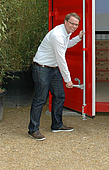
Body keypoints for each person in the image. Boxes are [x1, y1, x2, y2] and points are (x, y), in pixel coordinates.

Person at [28, 12, 85, 141]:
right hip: (42, 68)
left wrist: (79, 37)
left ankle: (57, 125)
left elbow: (66, 45)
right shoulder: (57, 35)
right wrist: (68, 80)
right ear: (65, 22)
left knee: (59, 95)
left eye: (76, 24)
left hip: (53, 69)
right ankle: (33, 129)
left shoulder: (65, 33)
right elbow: (61, 59)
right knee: (40, 99)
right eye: (72, 23)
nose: (74, 26)